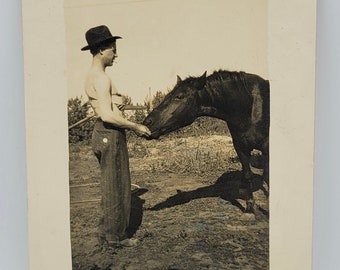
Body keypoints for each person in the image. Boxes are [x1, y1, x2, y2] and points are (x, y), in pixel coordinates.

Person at [81, 25, 151, 248]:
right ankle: (114, 238)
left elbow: (106, 106)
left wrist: (116, 101)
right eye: (113, 49)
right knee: (116, 186)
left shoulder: (95, 76)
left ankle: (109, 233)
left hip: (103, 134)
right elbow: (107, 115)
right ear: (101, 49)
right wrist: (135, 126)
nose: (116, 54)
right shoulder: (101, 78)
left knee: (114, 184)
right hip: (109, 133)